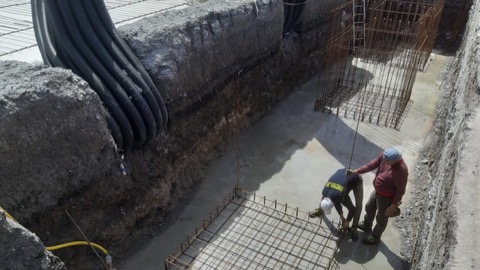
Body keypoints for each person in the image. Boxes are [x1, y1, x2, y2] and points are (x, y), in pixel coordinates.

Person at [347, 147, 408, 245]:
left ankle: (375, 236)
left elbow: (401, 190)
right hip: (377, 192)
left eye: (388, 161)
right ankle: (367, 225)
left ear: (396, 161)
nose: (385, 162)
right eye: (384, 159)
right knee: (369, 207)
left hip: (387, 198)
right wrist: (357, 171)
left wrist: (393, 205)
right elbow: (371, 165)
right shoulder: (385, 156)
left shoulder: (401, 171)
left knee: (381, 218)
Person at [309, 168, 363, 241]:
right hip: (341, 173)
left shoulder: (340, 195)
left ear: (332, 204)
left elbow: (352, 209)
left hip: (356, 178)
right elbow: (335, 202)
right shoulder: (325, 191)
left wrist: (347, 221)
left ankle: (354, 228)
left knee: (358, 206)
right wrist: (342, 217)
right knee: (325, 196)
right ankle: (320, 210)